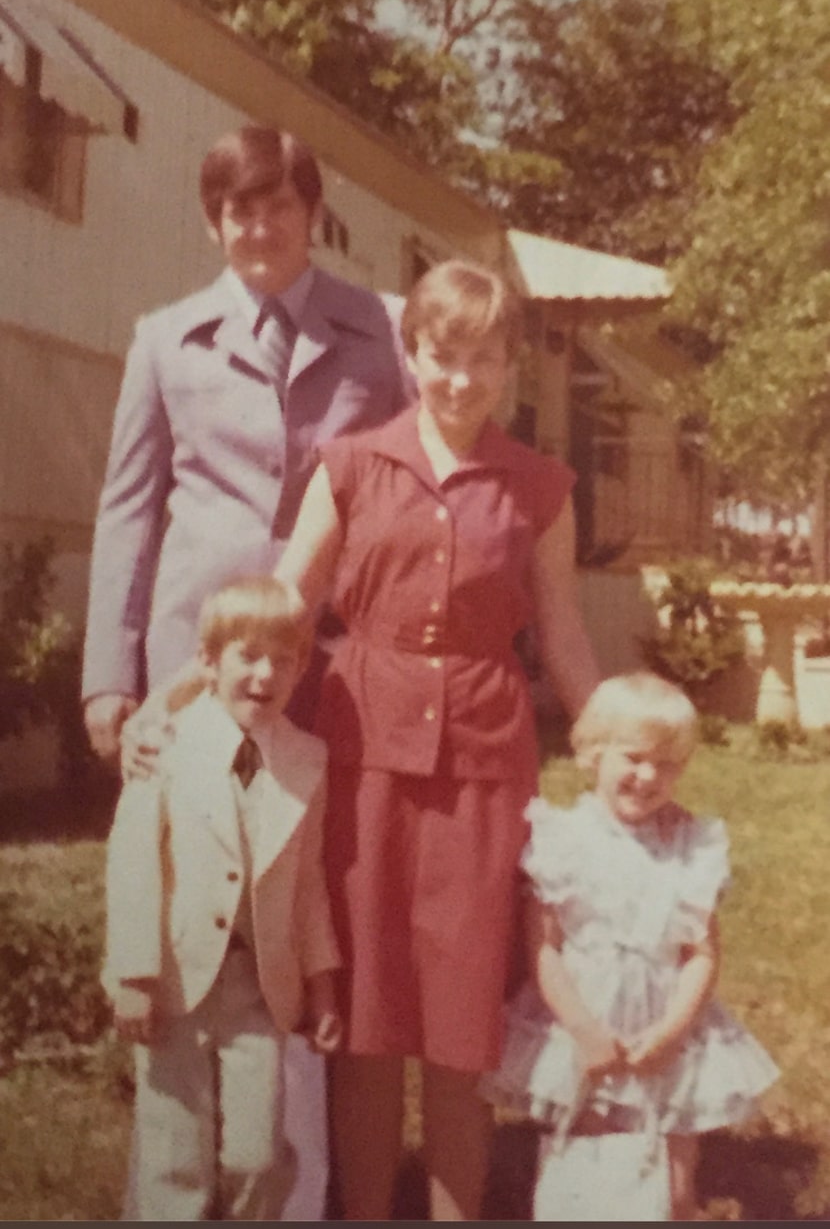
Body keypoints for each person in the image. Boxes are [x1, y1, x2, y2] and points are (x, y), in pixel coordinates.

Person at [82, 123, 412, 1219]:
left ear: (311, 210)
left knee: (300, 909)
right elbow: (128, 510)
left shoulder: (378, 333)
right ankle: (170, 1184)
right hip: (196, 672)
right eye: (235, 209)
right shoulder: (166, 338)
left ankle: (296, 1186)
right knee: (184, 917)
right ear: (213, 221)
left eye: (276, 204)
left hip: (328, 670)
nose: (256, 227)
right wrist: (109, 676)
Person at [272, 258, 601, 1220]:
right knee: (366, 1022)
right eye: (444, 355)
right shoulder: (350, 465)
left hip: (484, 774)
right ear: (412, 354)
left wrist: (620, 748)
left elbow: (566, 633)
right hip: (361, 758)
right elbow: (286, 607)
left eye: (485, 360)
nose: (462, 379)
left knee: (464, 1025)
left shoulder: (541, 485)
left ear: (511, 368)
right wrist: (197, 708)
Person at [480, 671, 780, 1221]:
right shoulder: (561, 840)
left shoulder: (691, 844)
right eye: (634, 758)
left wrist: (672, 1032)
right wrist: (585, 1031)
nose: (648, 776)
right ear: (594, 753)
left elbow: (702, 953)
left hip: (667, 1030)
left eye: (666, 764)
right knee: (592, 1164)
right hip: (588, 1025)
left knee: (672, 1180)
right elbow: (543, 951)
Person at [102, 576, 343, 1220]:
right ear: (208, 662)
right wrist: (134, 973)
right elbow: (134, 864)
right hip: (175, 978)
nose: (266, 674)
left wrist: (321, 985)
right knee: (173, 1152)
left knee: (257, 1154)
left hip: (259, 989)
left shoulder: (305, 760)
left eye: (285, 659)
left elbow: (309, 881)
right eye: (248, 655)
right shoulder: (164, 744)